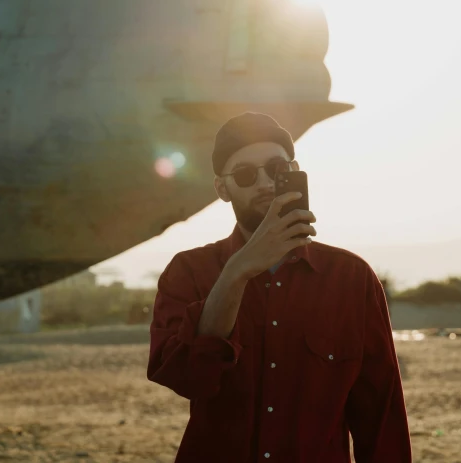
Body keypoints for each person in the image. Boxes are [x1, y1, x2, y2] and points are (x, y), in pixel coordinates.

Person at [147, 112, 412, 462]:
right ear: (222, 189)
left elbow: (380, 411)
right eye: (245, 174)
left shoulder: (351, 277)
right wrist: (236, 272)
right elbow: (185, 378)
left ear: (294, 170)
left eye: (276, 168)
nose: (265, 183)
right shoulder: (189, 271)